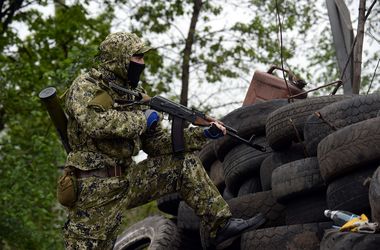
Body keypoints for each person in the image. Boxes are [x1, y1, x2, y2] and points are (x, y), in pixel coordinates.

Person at [61, 32, 264, 249]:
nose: (142, 63)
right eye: (136, 58)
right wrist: (142, 120)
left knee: (183, 164)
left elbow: (157, 144)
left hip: (128, 181)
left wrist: (202, 135)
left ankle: (221, 225)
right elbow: (96, 124)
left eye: (142, 57)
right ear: (118, 58)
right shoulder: (87, 85)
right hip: (94, 187)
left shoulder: (135, 93)